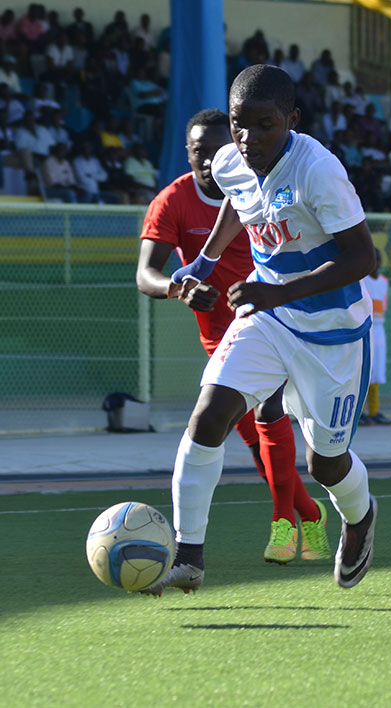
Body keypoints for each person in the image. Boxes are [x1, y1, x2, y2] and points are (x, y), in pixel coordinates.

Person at [141, 66, 377, 595]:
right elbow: (237, 197)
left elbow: (364, 257)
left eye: (264, 125)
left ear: (291, 120)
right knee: (209, 415)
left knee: (326, 463)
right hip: (268, 317)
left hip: (333, 333)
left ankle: (360, 518)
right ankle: (190, 558)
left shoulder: (318, 170)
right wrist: (204, 260)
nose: (247, 139)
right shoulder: (231, 158)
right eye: (237, 124)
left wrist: (280, 292)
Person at [136, 108, 331, 567]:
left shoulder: (266, 188)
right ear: (187, 154)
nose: (208, 161)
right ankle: (310, 514)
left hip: (273, 322)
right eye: (198, 152)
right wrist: (177, 287)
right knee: (260, 453)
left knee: (270, 412)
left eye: (217, 151)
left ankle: (282, 524)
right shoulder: (173, 201)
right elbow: (146, 274)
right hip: (219, 339)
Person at [360, 249, 391, 426]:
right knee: (366, 370)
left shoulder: (384, 282)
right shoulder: (361, 281)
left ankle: (374, 411)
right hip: (365, 329)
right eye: (374, 259)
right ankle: (360, 412)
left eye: (379, 259)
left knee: (378, 371)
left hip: (379, 329)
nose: (377, 262)